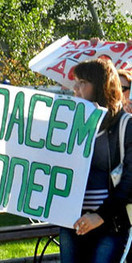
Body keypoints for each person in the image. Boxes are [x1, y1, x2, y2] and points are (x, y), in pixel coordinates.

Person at [59, 58, 132, 263]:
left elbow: (129, 182)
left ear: (101, 86)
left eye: (83, 82)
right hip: (72, 223)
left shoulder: (125, 125)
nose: (76, 88)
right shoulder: (67, 124)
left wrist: (99, 216)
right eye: (76, 82)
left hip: (110, 225)